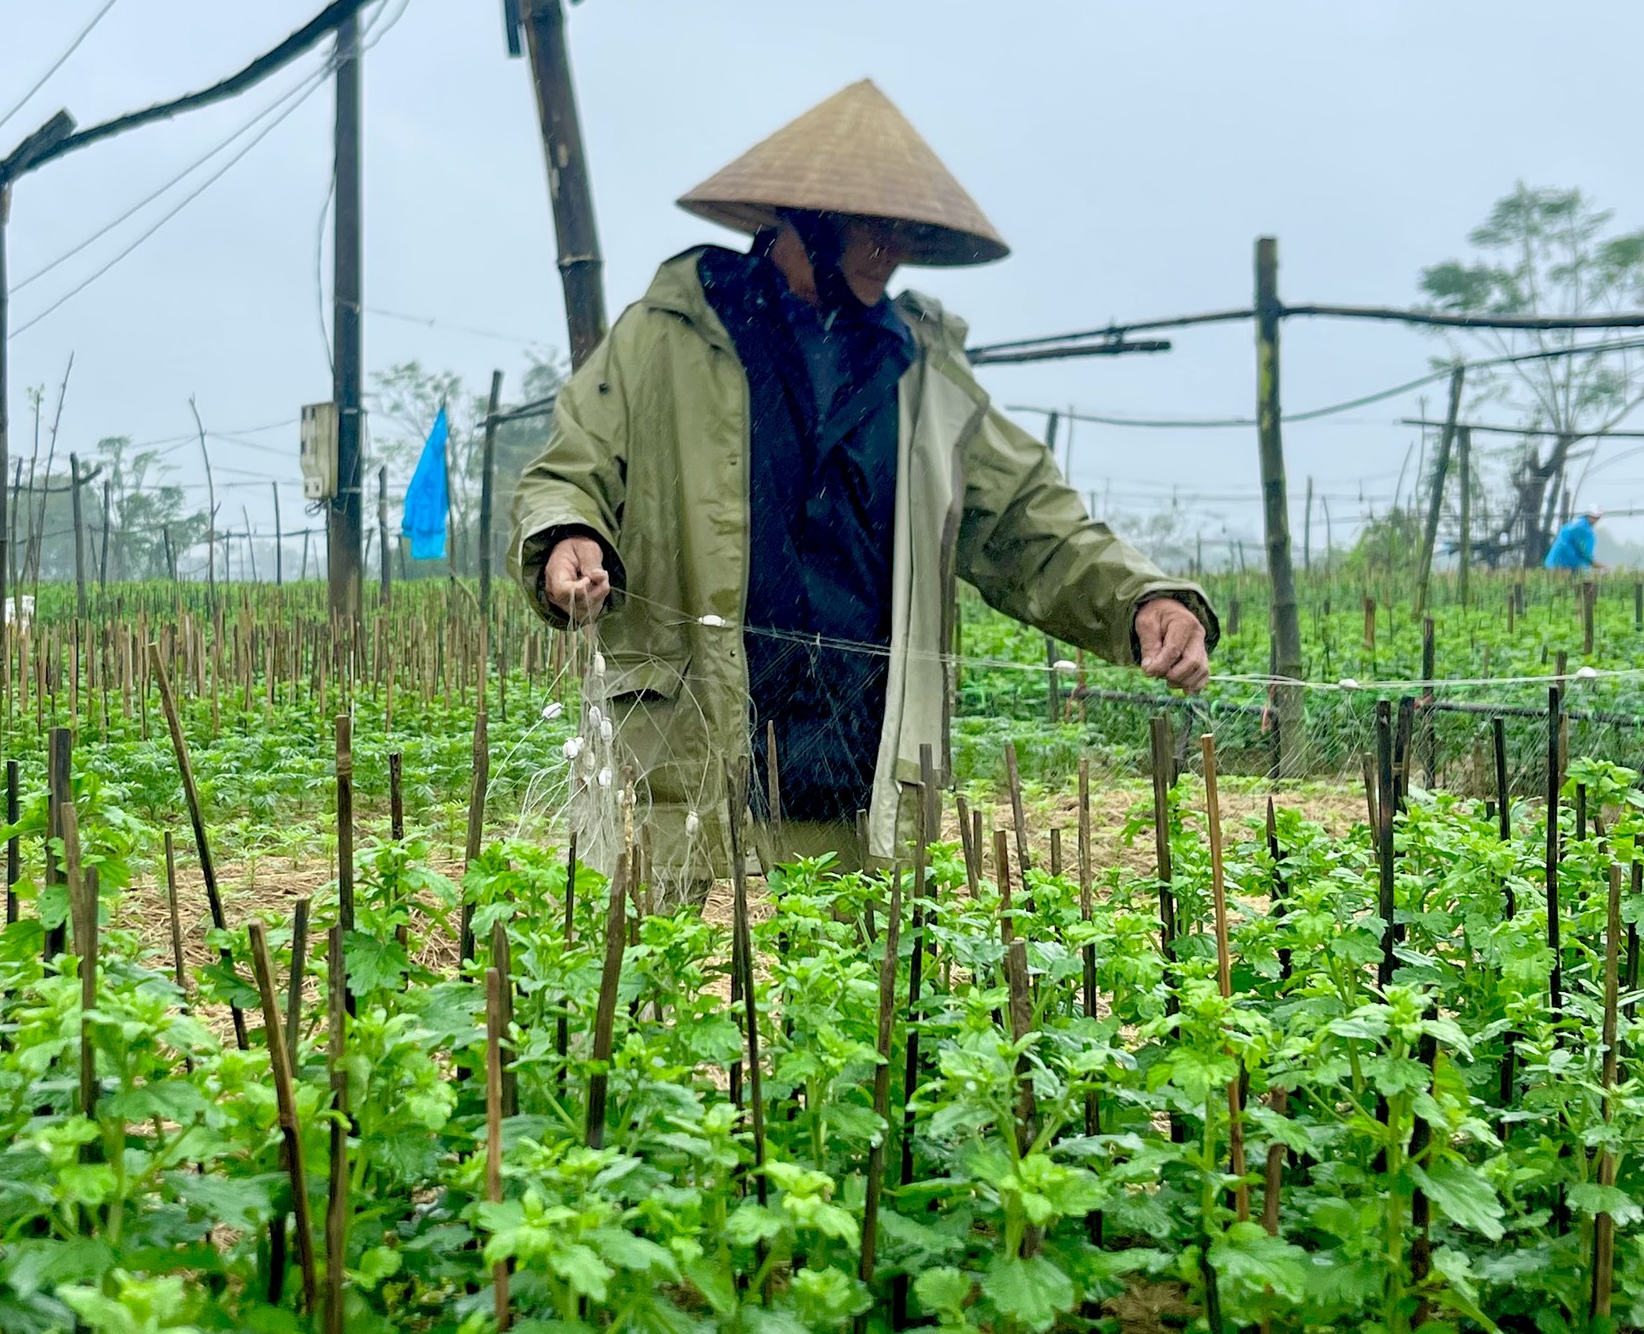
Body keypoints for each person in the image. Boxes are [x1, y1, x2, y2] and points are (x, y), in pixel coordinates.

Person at [509, 80, 1214, 885]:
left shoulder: (922, 372)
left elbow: (1029, 522)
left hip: (858, 751)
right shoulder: (668, 336)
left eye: (906, 231)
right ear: (803, 220)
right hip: (693, 746)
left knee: (852, 997)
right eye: (874, 226)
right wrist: (569, 535)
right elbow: (574, 467)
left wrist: (1142, 602)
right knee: (659, 987)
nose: (893, 249)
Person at [1543, 508, 1603, 573]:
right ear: (1588, 516)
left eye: (1597, 517)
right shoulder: (1582, 528)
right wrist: (1593, 563)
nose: (1596, 520)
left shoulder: (1576, 524)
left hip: (1559, 561)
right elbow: (1582, 549)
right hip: (1565, 563)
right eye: (1594, 517)